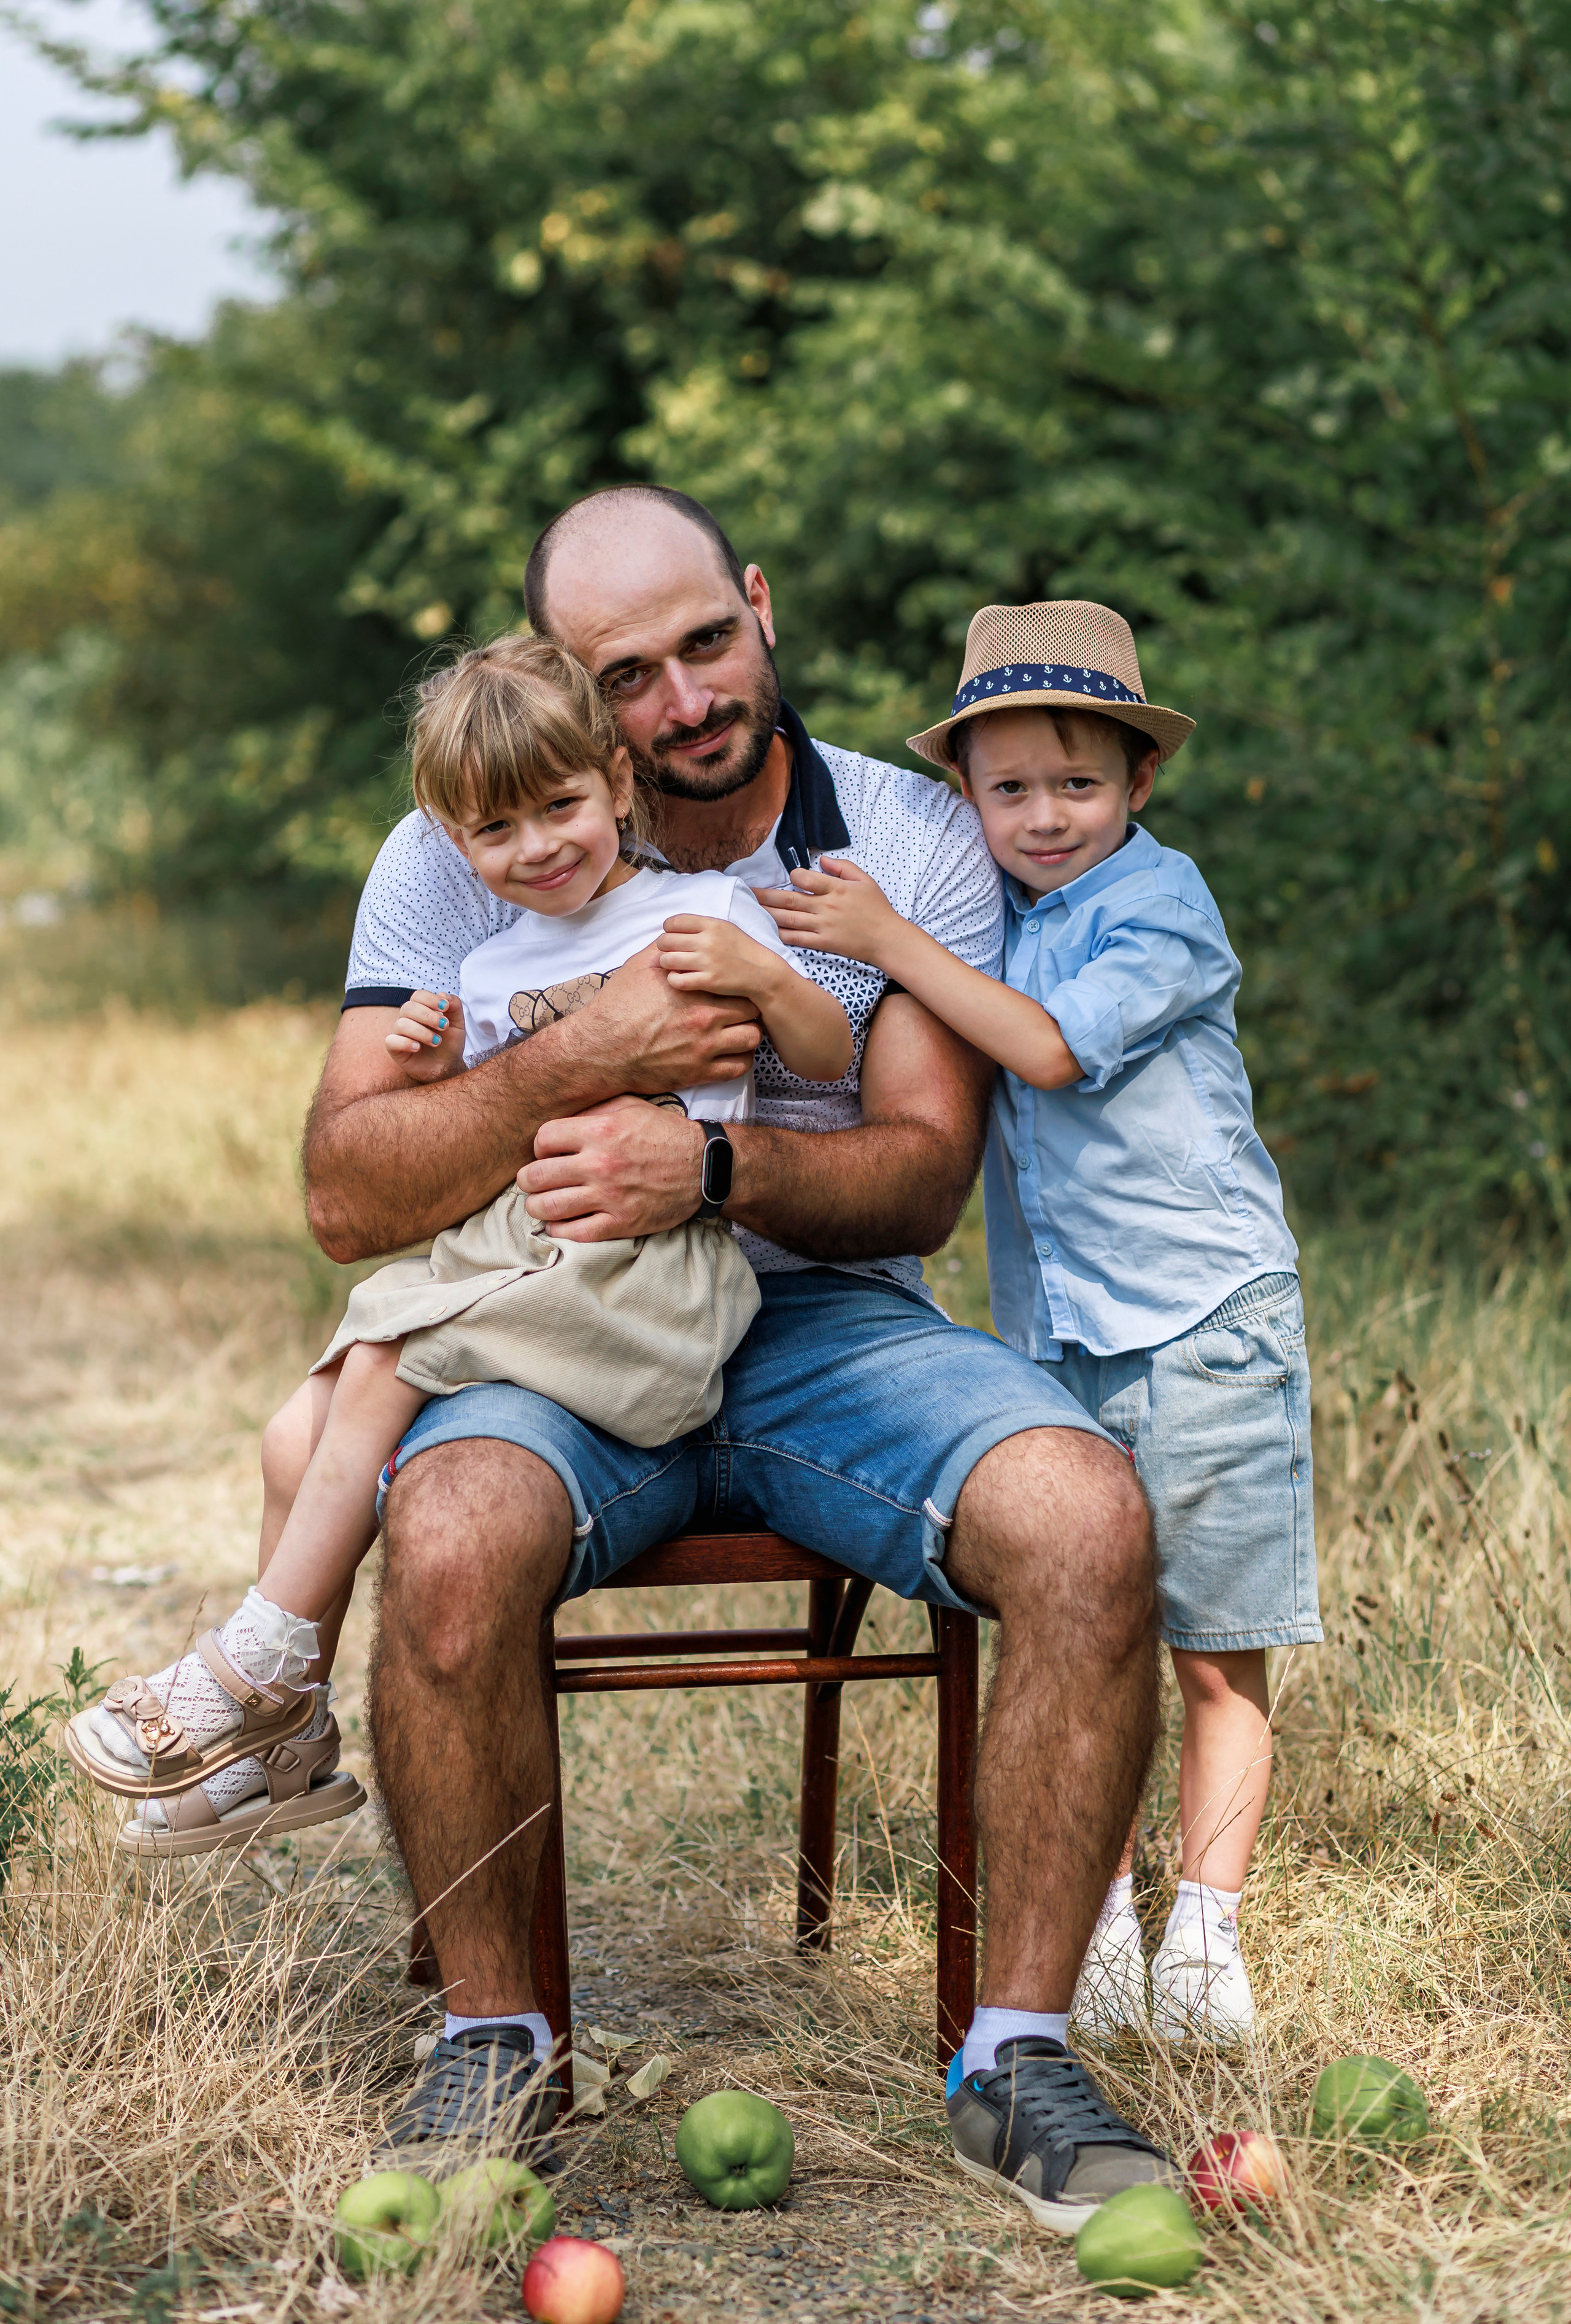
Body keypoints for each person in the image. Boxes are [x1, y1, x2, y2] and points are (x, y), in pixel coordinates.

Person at [285, 486, 1175, 2231]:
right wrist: (569, 1069)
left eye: (709, 642)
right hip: (556, 1319)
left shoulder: (910, 841)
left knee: (1085, 1516)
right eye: (632, 673)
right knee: (449, 1535)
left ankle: (1019, 2057)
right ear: (575, 698)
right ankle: (494, 2046)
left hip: (821, 1322)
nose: (688, 698)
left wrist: (710, 1165)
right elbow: (342, 1194)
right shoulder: (462, 844)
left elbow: (921, 1167)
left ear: (759, 606)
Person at [64, 636, 850, 1851]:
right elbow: (485, 1126)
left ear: (619, 785)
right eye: (496, 831)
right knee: (291, 1433)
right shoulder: (487, 967)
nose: (537, 848)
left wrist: (769, 973)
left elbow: (822, 1058)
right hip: (520, 1255)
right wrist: (442, 1071)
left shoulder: (700, 913)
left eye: (560, 807)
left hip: (642, 1274)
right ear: (450, 837)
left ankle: (258, 1664)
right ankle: (292, 1747)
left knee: (384, 1363)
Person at [761, 598, 1321, 2047]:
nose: (1044, 816)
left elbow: (1049, 1049)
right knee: (1084, 1617)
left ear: (1138, 784)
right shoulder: (986, 909)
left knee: (1212, 1644)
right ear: (965, 797)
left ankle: (1206, 1926)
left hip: (1197, 1314)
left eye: (1078, 783)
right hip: (1059, 1328)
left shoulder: (1158, 902)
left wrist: (886, 934)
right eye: (1007, 788)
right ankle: (1105, 1923)